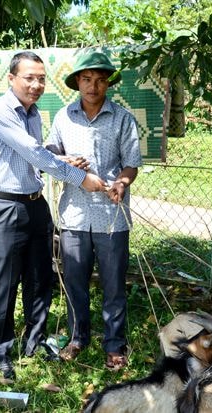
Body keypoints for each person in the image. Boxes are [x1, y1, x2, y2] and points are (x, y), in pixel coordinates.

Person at [0, 51, 107, 380]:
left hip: (36, 205)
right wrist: (81, 178)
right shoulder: (0, 111)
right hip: (5, 206)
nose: (36, 85)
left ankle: (33, 343)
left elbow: (38, 152)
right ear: (11, 79)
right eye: (29, 78)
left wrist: (62, 157)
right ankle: (1, 350)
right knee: (4, 282)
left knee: (41, 278)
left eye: (41, 79)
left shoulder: (33, 113)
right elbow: (32, 152)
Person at [46, 51, 142, 370]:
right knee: (75, 281)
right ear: (76, 83)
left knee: (114, 284)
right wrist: (64, 162)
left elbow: (131, 163)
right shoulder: (63, 117)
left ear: (108, 84)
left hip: (112, 215)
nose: (93, 86)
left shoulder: (123, 118)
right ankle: (77, 337)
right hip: (73, 214)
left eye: (100, 80)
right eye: (87, 79)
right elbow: (49, 156)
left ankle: (114, 344)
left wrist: (122, 182)